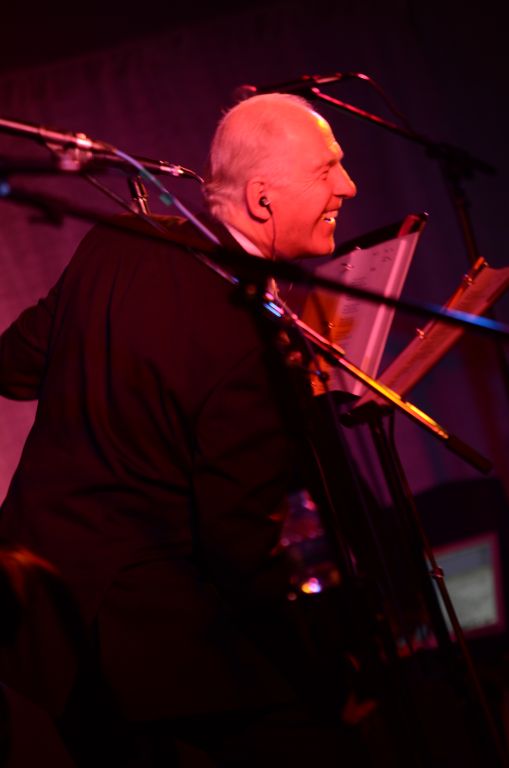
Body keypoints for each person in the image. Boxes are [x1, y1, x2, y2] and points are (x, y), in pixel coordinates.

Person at [0, 93, 358, 766]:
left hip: (48, 622)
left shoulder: (116, 241)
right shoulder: (253, 336)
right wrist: (322, 663)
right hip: (153, 642)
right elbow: (239, 542)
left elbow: (15, 367)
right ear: (261, 198)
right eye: (327, 169)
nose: (349, 186)